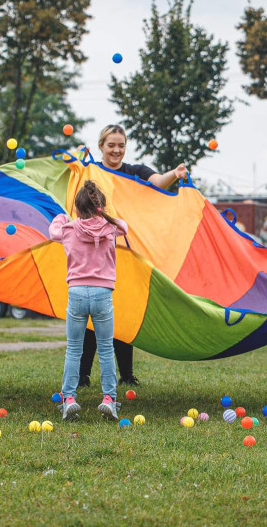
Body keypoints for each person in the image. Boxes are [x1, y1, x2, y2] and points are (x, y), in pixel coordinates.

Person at [77, 124, 188, 388]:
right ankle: (82, 375)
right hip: (94, 257)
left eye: (121, 145)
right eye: (111, 145)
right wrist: (82, 164)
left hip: (127, 257)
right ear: (101, 146)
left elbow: (159, 181)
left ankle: (126, 374)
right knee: (92, 318)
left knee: (123, 314)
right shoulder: (91, 174)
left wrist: (175, 172)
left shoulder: (135, 172)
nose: (116, 150)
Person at [50, 180, 129, 421]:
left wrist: (62, 218)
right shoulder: (111, 227)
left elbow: (53, 231)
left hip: (76, 293)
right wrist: (105, 215)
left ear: (77, 209)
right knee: (106, 349)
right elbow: (124, 226)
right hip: (102, 294)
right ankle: (109, 400)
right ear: (100, 207)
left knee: (74, 349)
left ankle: (69, 399)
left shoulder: (68, 229)